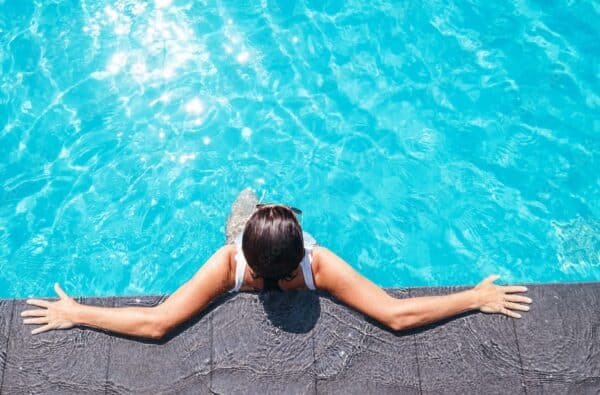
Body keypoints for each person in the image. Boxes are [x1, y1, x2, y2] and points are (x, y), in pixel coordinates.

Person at [21, 189, 532, 339]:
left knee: (244, 199)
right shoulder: (319, 264)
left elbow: (158, 323)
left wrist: (79, 312)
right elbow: (395, 315)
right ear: (299, 257)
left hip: (248, 260)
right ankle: (258, 204)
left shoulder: (227, 261)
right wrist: (476, 298)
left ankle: (251, 206)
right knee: (255, 199)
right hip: (271, 255)